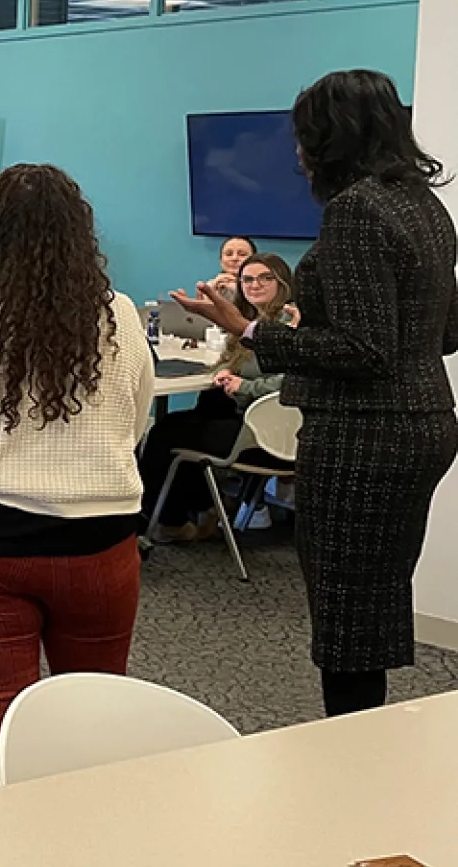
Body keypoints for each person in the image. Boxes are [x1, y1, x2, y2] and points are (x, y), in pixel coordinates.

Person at [173, 69, 458, 718]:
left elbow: (365, 351)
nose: (299, 152)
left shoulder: (357, 209)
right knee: (376, 598)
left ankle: (351, 748)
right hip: (424, 420)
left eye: (305, 136)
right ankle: (368, 735)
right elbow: (444, 330)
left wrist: (249, 329)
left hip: (364, 434)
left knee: (346, 615)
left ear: (332, 138)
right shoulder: (425, 206)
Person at [0, 163, 152, 789]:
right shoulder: (119, 316)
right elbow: (135, 424)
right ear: (79, 234)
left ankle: (3, 834)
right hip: (96, 538)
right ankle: (90, 830)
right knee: (94, 707)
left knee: (0, 711)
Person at [140, 253, 296, 541]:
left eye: (265, 278)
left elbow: (292, 380)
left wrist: (244, 386)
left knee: (166, 433)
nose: (255, 285)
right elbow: (237, 364)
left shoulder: (290, 324)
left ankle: (168, 520)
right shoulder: (247, 322)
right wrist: (226, 372)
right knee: (201, 412)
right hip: (249, 418)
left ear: (283, 283)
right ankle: (201, 509)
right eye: (248, 279)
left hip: (267, 433)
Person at [206, 236, 257, 301]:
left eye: (242, 254)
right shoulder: (211, 286)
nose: (234, 258)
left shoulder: (262, 286)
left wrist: (238, 291)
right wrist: (209, 293)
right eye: (228, 254)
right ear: (221, 261)